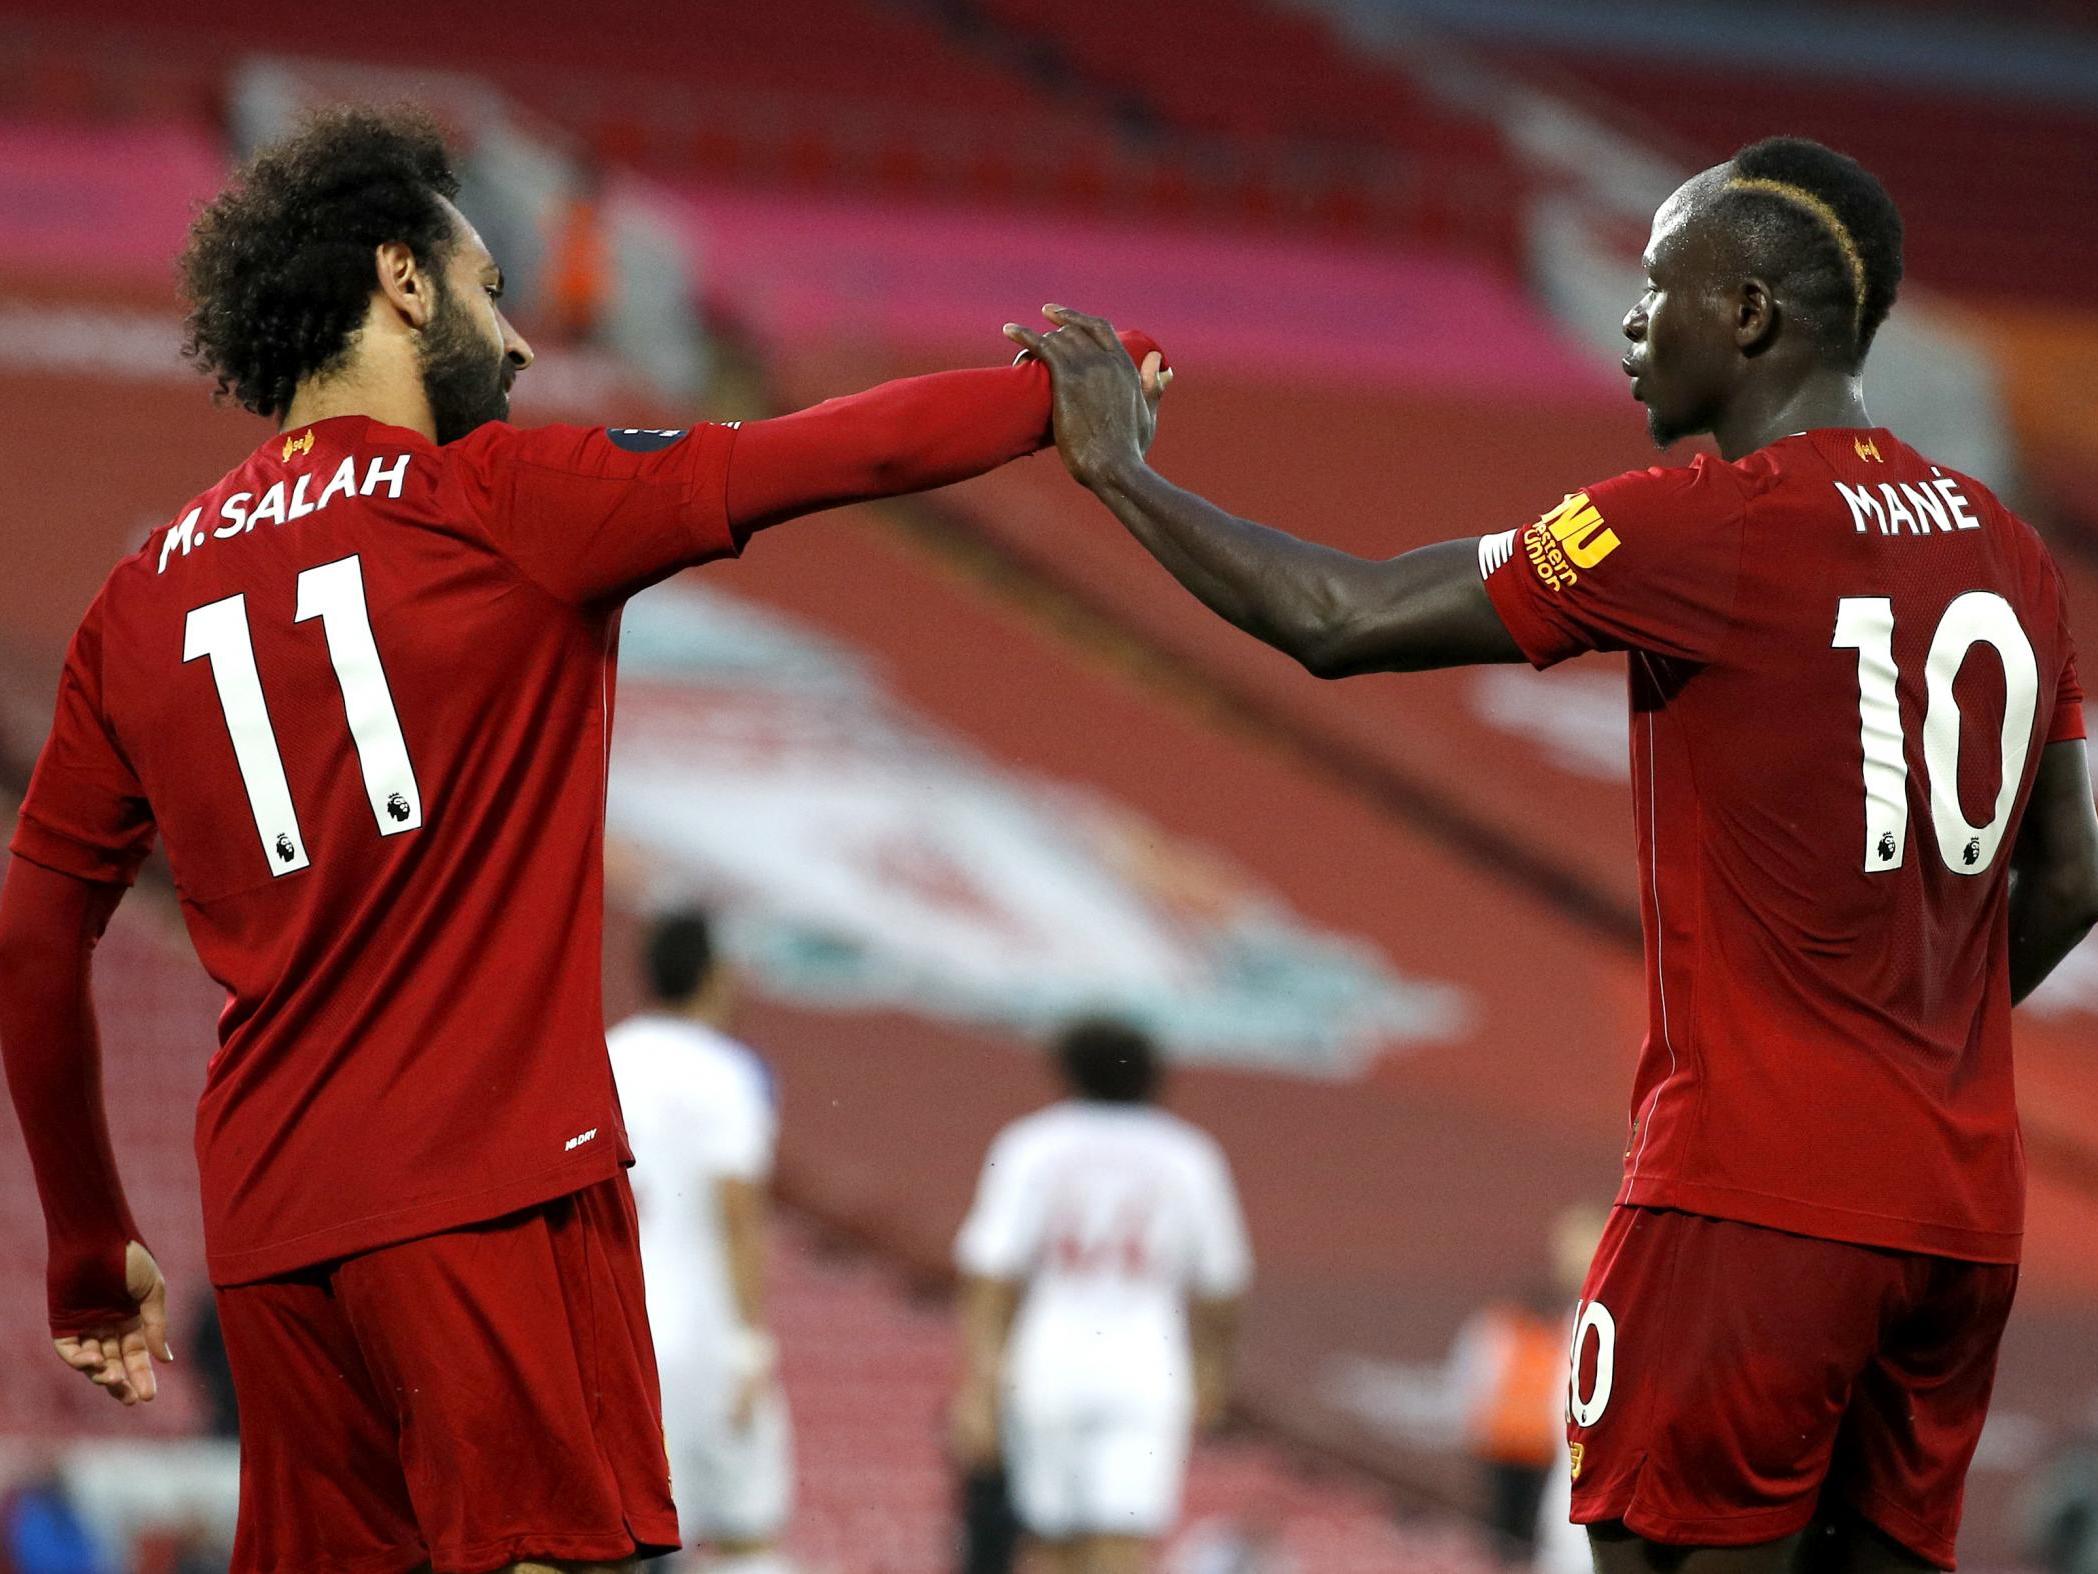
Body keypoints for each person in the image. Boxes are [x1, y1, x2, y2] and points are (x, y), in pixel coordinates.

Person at [0, 106, 1165, 1574]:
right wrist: (1055, 394)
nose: (522, 342)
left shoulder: (137, 605)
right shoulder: (502, 504)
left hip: (274, 1229)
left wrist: (91, 1238)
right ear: (402, 283)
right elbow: (822, 458)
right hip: (485, 1190)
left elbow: (36, 937)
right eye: (490, 288)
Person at [1004, 135, 2098, 1573]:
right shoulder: (2009, 547)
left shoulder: (1701, 526)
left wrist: (1119, 475)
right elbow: (2069, 872)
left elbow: (1343, 617)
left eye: (1657, 288)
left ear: (1750, 317)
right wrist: (1912, 1039)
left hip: (1748, 1195)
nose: (1630, 326)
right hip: (1958, 1210)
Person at [950, 1018, 1251, 1574]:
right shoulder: (1189, 1156)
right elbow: (1222, 1286)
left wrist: (979, 1382)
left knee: (1048, 1541)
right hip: (1146, 1363)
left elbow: (990, 1275)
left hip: (1050, 1358)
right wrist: (1211, 1370)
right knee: (1124, 1542)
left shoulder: (1030, 1145)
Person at [606, 911, 795, 1574]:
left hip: (620, 1330)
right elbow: (738, 1211)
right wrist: (750, 1345)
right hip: (703, 1335)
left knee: (621, 1540)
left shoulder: (606, 1055)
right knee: (747, 1532)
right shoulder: (726, 1072)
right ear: (715, 975)